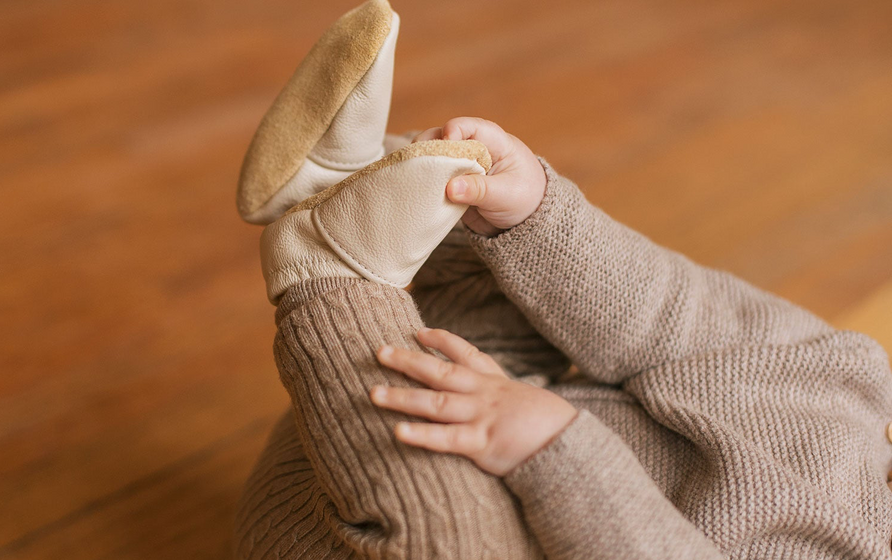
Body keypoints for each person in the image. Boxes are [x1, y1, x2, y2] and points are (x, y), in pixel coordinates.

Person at [232, 116, 892, 559]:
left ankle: (321, 268)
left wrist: (553, 448)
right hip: (368, 418)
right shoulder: (846, 375)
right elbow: (667, 307)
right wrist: (537, 212)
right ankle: (337, 180)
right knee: (518, 263)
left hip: (395, 519)